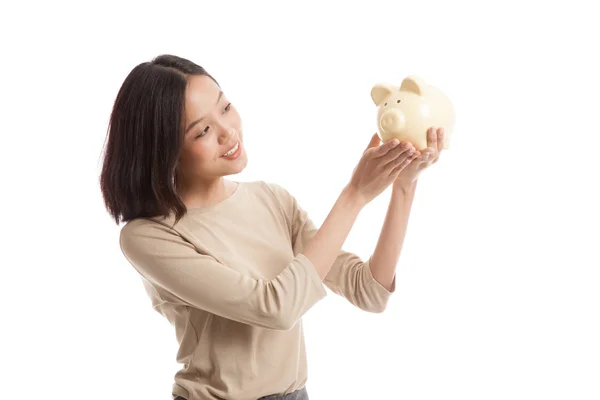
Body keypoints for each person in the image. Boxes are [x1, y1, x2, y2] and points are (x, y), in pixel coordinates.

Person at [99, 54, 444, 400]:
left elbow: (369, 291)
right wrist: (353, 195)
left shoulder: (272, 200)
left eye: (225, 107)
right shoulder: (148, 236)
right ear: (164, 150)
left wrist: (404, 184)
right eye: (202, 130)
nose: (227, 131)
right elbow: (274, 309)